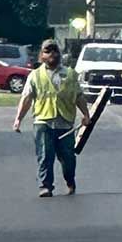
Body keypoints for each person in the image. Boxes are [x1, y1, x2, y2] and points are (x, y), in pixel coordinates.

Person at [13, 39, 84, 198]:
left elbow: (79, 96)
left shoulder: (70, 74)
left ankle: (70, 180)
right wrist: (18, 119)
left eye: (54, 50)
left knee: (68, 158)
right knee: (45, 155)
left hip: (65, 123)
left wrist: (86, 115)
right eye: (47, 51)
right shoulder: (35, 75)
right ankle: (45, 186)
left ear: (59, 54)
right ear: (41, 55)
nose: (51, 54)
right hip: (43, 122)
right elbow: (26, 98)